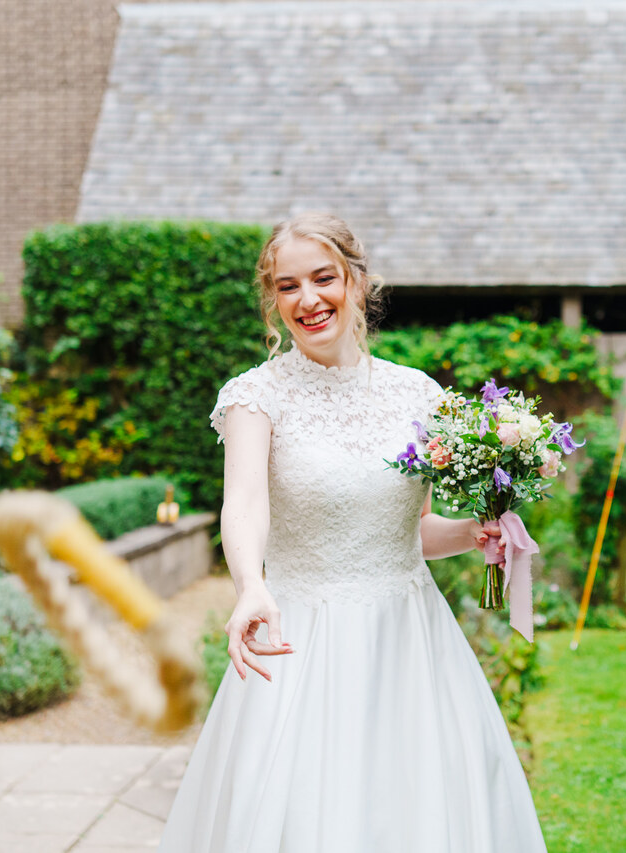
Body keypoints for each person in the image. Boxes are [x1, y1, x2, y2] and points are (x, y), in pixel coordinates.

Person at [157, 213, 547, 852]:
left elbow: (409, 530)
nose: (307, 300)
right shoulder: (255, 397)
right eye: (287, 287)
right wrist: (250, 587)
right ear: (272, 301)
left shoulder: (417, 394)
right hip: (302, 636)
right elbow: (246, 505)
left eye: (322, 278)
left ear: (357, 283)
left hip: (408, 639)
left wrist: (476, 533)